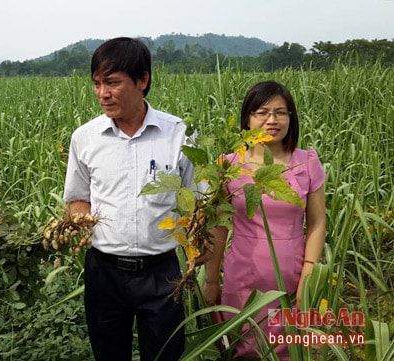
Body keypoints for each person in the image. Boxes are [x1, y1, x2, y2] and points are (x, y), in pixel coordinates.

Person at [63, 37, 201, 361]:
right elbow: (77, 199)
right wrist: (79, 219)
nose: (102, 93)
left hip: (162, 273)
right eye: (97, 83)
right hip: (104, 272)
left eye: (112, 82)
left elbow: (199, 203)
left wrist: (199, 247)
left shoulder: (179, 135)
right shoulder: (84, 138)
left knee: (165, 354)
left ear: (142, 80)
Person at [203, 80, 326, 360]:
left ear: (290, 118)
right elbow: (219, 226)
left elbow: (318, 223)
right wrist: (211, 280)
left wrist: (308, 275)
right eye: (262, 112)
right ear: (247, 118)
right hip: (241, 278)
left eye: (281, 112)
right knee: (241, 348)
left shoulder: (306, 163)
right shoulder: (229, 165)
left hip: (292, 279)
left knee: (287, 350)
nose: (272, 120)